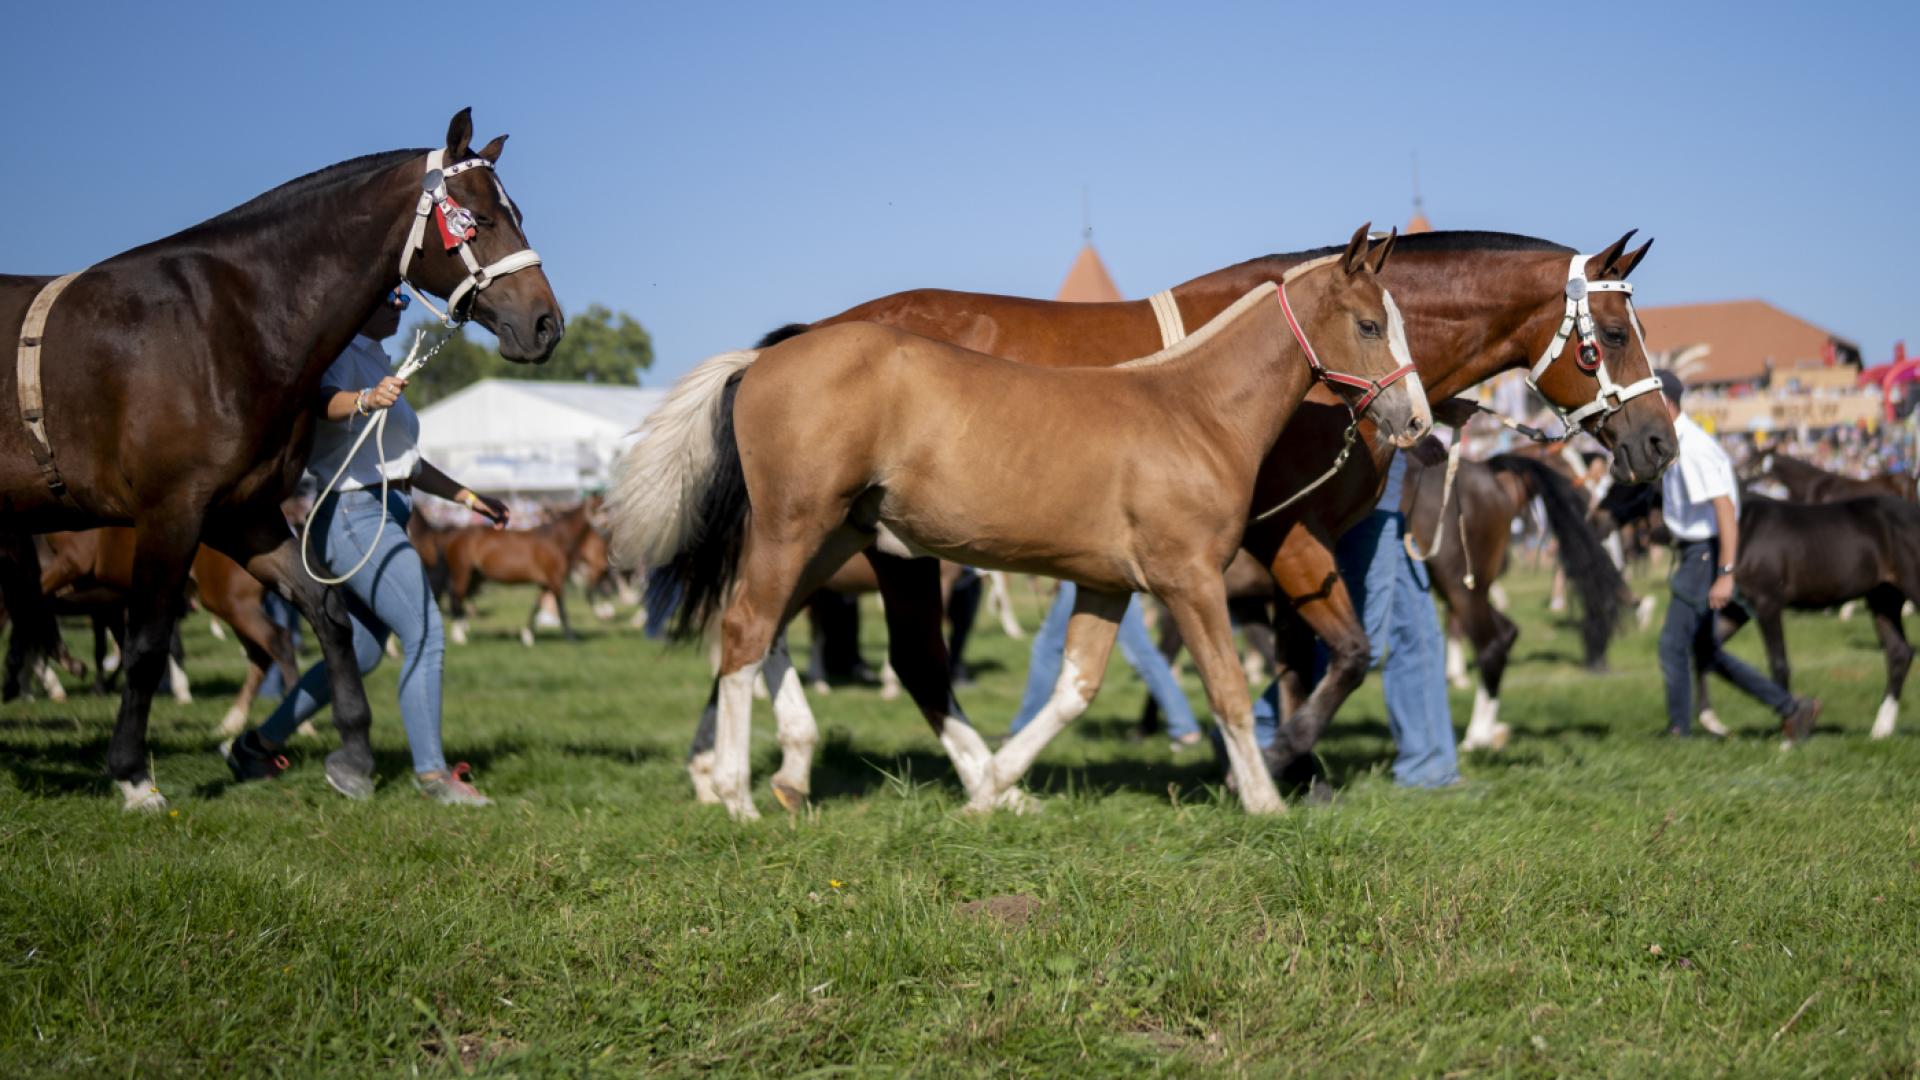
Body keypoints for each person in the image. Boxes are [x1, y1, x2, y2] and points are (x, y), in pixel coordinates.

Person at [223, 288, 511, 804]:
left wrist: (469, 496)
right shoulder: (337, 351)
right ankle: (433, 777)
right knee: (426, 636)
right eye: (393, 297)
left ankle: (256, 746)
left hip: (378, 514)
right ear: (361, 304)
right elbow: (317, 404)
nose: (401, 305)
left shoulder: (377, 356)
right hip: (356, 517)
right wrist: (363, 399)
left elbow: (405, 462)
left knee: (357, 652)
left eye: (404, 298)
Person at [1250, 430, 1462, 789]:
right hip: (1367, 509)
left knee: (1419, 636)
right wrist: (1411, 435)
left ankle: (1429, 769)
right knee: (1356, 646)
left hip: (1388, 509)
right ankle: (1257, 735)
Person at [1654, 369, 1820, 741]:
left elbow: (1725, 509)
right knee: (1708, 652)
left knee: (1671, 646)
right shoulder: (1677, 441)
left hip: (1702, 556)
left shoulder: (1692, 447)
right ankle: (1793, 708)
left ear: (1665, 402)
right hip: (1697, 553)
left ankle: (1679, 730)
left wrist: (1726, 572)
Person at [1009, 582, 1204, 750]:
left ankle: (1024, 728)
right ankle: (1185, 727)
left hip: (1090, 567)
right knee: (1143, 653)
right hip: (1114, 568)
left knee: (1048, 647)